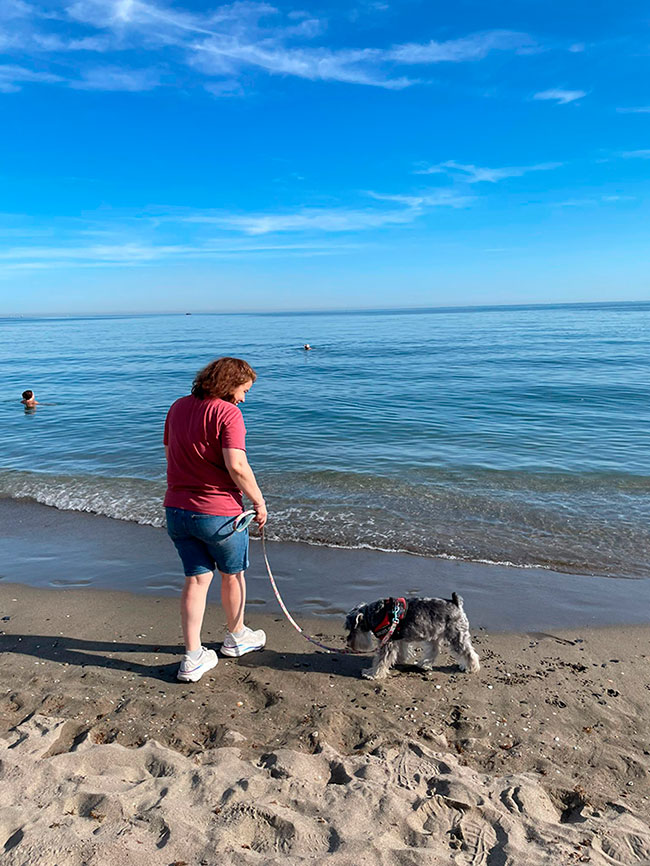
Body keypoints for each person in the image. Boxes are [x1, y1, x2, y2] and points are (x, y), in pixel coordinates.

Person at [163, 357, 268, 683]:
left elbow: (169, 451)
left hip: (177, 510)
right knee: (232, 575)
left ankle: (193, 656)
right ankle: (236, 636)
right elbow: (236, 466)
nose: (243, 398)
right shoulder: (228, 413)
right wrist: (258, 500)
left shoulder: (178, 407)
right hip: (218, 513)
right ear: (228, 384)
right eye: (243, 389)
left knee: (196, 579)